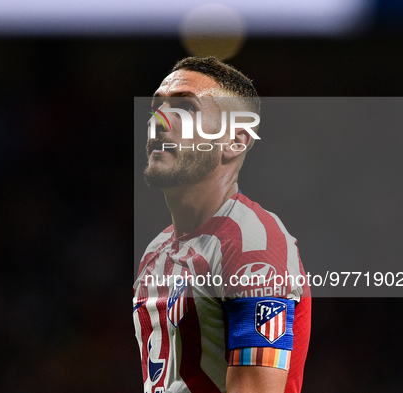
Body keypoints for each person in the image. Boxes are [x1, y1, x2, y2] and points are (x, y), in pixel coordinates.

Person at [133, 56, 311, 393]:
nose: (158, 120)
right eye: (155, 107)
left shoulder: (252, 243)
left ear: (235, 142)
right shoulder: (155, 251)